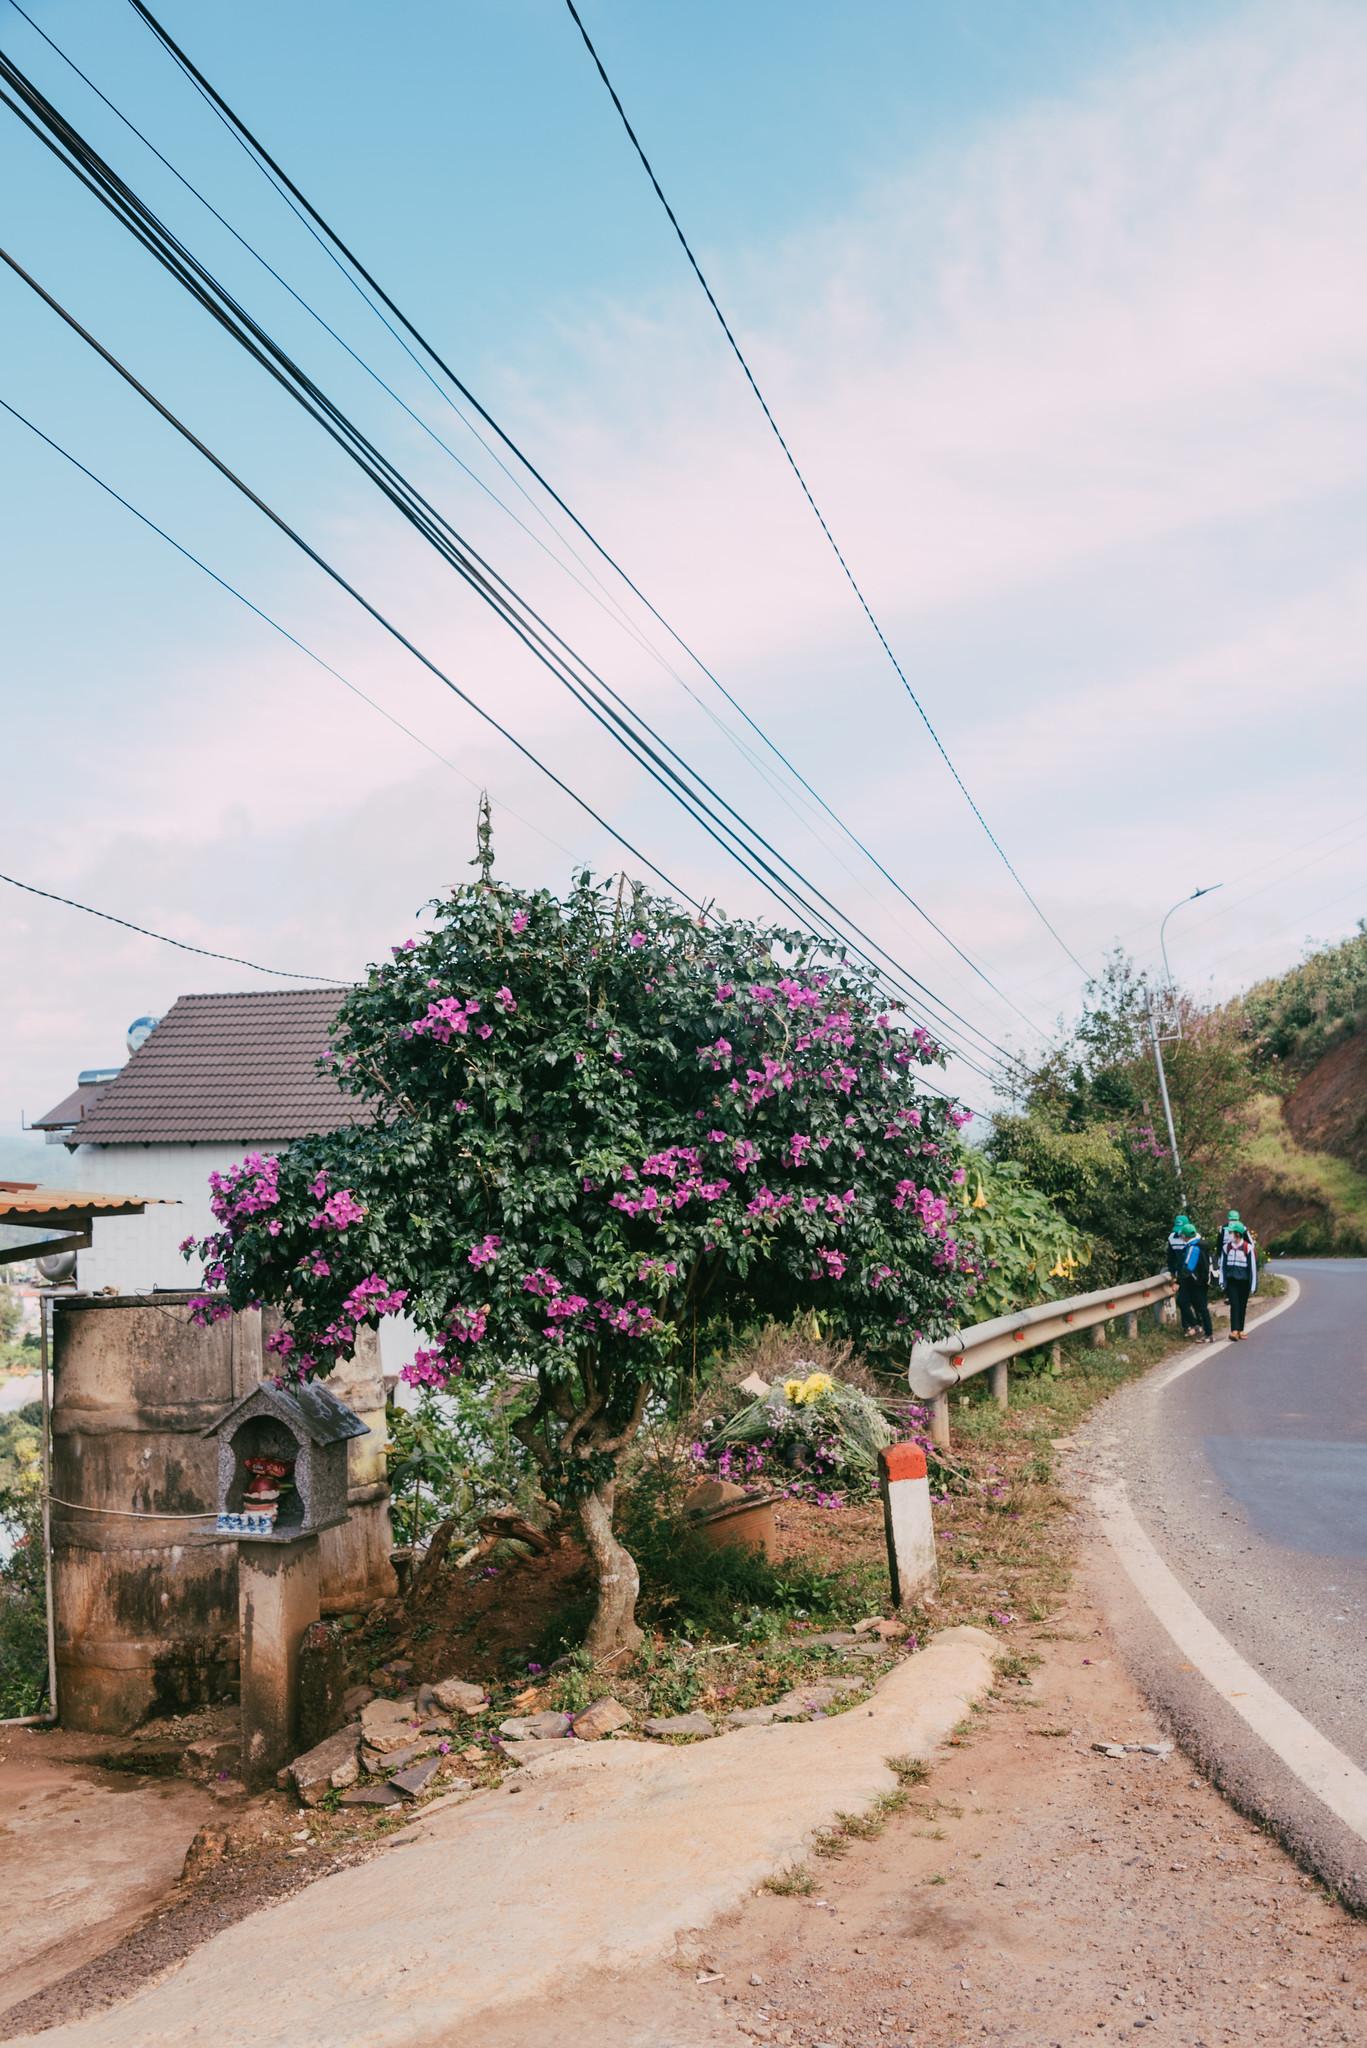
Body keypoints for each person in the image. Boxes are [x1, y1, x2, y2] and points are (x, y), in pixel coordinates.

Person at [1219, 1222, 1258, 1340]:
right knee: (1234, 1305)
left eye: (1231, 1233)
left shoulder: (1248, 1247)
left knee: (1242, 1306)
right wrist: (1222, 1281)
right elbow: (1222, 1266)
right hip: (1231, 1281)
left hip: (1244, 1282)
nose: (1230, 1235)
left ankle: (1240, 1330)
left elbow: (1252, 1268)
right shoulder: (1226, 1247)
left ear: (1238, 1234)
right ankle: (1234, 1331)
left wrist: (1253, 1285)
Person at [1176, 1221, 1213, 1342]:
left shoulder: (1193, 1248)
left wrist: (1179, 1279)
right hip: (1200, 1281)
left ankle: (1207, 1333)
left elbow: (1188, 1268)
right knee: (1191, 1304)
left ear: (1185, 1236)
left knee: (1198, 1306)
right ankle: (1199, 1327)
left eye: (1182, 1235)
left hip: (1195, 1282)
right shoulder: (1200, 1244)